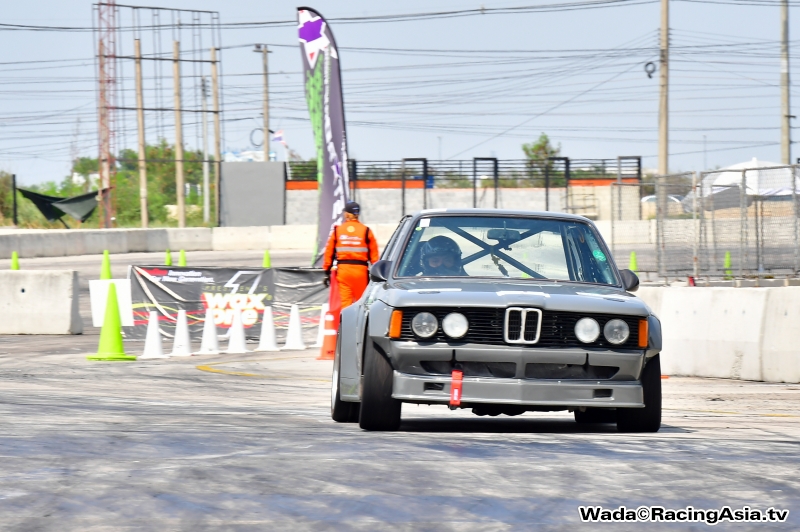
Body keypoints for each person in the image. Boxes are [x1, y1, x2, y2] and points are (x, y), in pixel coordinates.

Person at [323, 201, 380, 308]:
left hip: (343, 272)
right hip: (361, 272)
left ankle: (346, 323)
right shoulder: (366, 231)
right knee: (361, 304)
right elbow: (375, 258)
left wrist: (327, 272)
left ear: (347, 214)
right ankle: (360, 323)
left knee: (345, 304)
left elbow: (329, 253)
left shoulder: (338, 231)